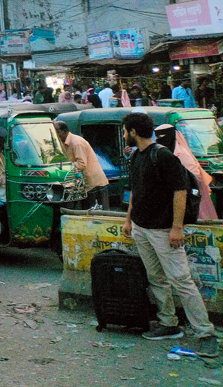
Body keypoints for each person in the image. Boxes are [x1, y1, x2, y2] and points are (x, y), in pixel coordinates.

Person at [121, 112, 218, 356]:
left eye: (125, 131)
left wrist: (176, 227)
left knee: (181, 281)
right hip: (142, 228)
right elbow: (134, 191)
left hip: (164, 230)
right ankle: (168, 323)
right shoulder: (136, 157)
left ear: (133, 132)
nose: (124, 135)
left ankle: (206, 333)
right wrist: (128, 220)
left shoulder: (163, 156)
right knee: (156, 278)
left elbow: (180, 192)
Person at [155, 124, 218, 221]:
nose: (159, 140)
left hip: (190, 199)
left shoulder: (182, 154)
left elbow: (195, 176)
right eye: (157, 137)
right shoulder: (163, 154)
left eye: (162, 137)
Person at [54, 121, 110, 210]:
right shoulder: (64, 143)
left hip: (93, 184)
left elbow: (81, 164)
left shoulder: (76, 143)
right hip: (84, 185)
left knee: (98, 216)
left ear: (64, 131)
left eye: (57, 132)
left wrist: (64, 167)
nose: (56, 135)